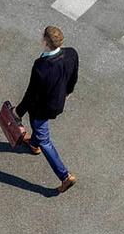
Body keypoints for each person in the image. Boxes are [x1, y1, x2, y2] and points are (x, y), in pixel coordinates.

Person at [15, 26, 78, 194]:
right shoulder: (71, 53)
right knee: (38, 132)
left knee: (44, 138)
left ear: (45, 42)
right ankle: (34, 144)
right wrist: (68, 91)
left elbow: (31, 94)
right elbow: (73, 75)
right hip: (58, 101)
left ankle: (65, 176)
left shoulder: (41, 66)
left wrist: (18, 112)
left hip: (42, 108)